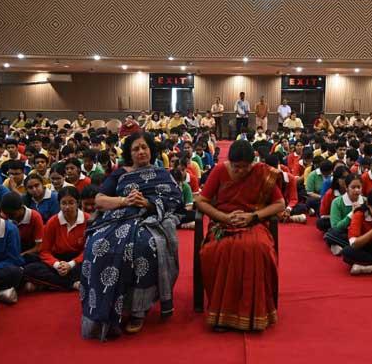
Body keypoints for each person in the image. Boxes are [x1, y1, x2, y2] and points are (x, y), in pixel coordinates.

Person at [81, 132, 184, 339]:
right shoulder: (120, 174)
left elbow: (176, 200)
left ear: (151, 150)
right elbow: (99, 200)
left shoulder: (162, 174)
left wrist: (147, 203)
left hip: (150, 220)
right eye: (135, 149)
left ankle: (138, 310)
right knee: (97, 244)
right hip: (118, 217)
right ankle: (104, 303)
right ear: (129, 153)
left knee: (144, 246)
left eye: (144, 147)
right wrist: (125, 201)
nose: (141, 152)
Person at [197, 140, 284, 332]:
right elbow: (202, 201)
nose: (241, 171)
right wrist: (224, 217)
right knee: (217, 250)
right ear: (230, 162)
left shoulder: (262, 172)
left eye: (246, 167)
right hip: (223, 223)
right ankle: (222, 314)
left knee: (258, 248)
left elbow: (280, 204)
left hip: (253, 223)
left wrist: (253, 216)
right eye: (237, 167)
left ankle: (254, 313)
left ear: (253, 163)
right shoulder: (220, 170)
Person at [23, 186, 87, 292]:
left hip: (77, 261)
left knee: (91, 265)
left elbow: (88, 250)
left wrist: (71, 264)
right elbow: (44, 251)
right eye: (63, 203)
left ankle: (52, 284)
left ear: (78, 203)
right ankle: (71, 284)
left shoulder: (87, 220)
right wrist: (57, 265)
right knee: (30, 269)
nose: (67, 207)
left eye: (71, 203)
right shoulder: (52, 222)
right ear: (59, 204)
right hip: (57, 260)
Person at [324, 174, 364, 255]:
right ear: (346, 188)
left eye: (359, 187)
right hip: (344, 232)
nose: (356, 190)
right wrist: (352, 214)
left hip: (360, 234)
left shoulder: (366, 201)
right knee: (330, 233)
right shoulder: (337, 202)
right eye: (353, 187)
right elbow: (336, 227)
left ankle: (341, 246)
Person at [0, 192, 44, 263]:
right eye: (6, 214)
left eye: (12, 214)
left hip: (28, 251)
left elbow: (38, 247)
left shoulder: (34, 217)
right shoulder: (6, 217)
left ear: (21, 207)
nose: (9, 217)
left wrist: (20, 255)